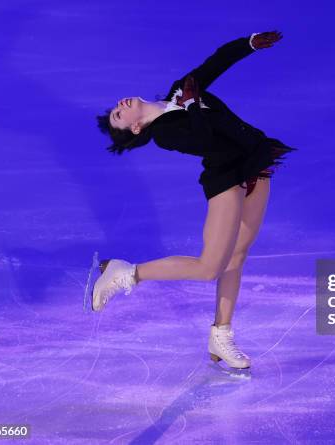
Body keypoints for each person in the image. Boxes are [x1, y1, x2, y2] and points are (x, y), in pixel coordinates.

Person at [94, 31, 296, 369]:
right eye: (118, 115)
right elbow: (203, 141)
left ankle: (221, 334)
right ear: (135, 129)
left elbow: (216, 62)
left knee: (238, 255)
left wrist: (248, 44)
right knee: (209, 267)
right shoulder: (164, 134)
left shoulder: (179, 89)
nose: (120, 105)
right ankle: (127, 272)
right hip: (226, 178)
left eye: (116, 107)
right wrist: (192, 105)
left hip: (256, 161)